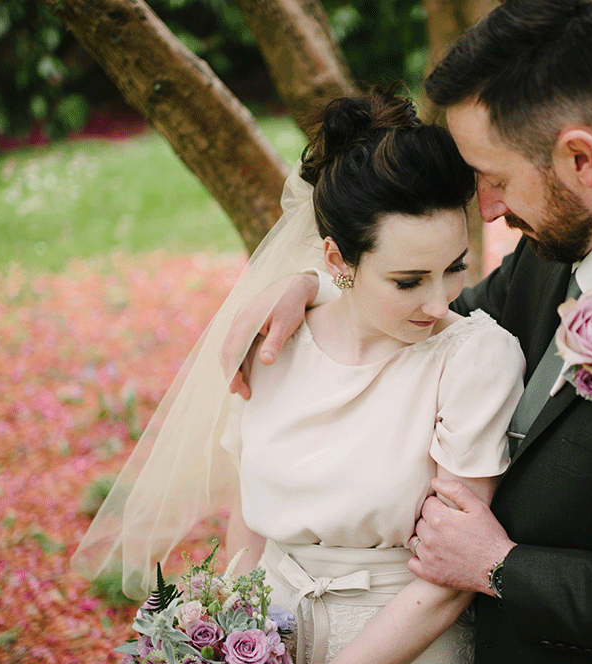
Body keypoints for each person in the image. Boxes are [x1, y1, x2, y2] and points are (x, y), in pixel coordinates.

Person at [222, 1, 592, 663]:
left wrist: (502, 567)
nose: (487, 208)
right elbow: (431, 322)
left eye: (495, 178)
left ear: (579, 158)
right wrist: (312, 287)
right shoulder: (554, 247)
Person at [75, 89, 525, 664]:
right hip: (270, 633)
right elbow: (249, 520)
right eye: (409, 281)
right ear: (337, 261)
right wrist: (238, 635)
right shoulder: (276, 341)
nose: (439, 303)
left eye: (455, 268)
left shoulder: (474, 359)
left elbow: (451, 574)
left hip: (406, 640)